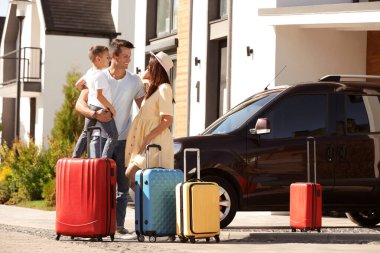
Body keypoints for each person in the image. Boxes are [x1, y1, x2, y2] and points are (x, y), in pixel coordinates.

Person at [75, 39, 146, 235]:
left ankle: (118, 225)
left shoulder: (134, 81)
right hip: (99, 139)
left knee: (122, 187)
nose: (128, 60)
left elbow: (144, 108)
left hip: (123, 140)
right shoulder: (98, 75)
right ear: (113, 57)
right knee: (98, 184)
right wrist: (95, 114)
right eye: (125, 56)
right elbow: (80, 104)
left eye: (129, 57)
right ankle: (95, 224)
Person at [125, 51, 174, 191]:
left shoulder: (165, 88)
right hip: (147, 140)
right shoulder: (154, 89)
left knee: (131, 173)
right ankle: (149, 208)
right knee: (142, 178)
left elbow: (167, 119)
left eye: (149, 65)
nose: (147, 68)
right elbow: (140, 80)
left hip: (155, 141)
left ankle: (150, 206)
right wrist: (145, 77)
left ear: (156, 67)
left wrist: (147, 138)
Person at [72, 45, 118, 158]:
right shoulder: (100, 75)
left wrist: (87, 91)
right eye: (107, 57)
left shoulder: (90, 72)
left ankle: (75, 156)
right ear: (98, 59)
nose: (109, 60)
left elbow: (78, 84)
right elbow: (99, 96)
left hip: (91, 106)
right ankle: (104, 159)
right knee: (113, 135)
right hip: (100, 108)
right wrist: (111, 108)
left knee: (86, 132)